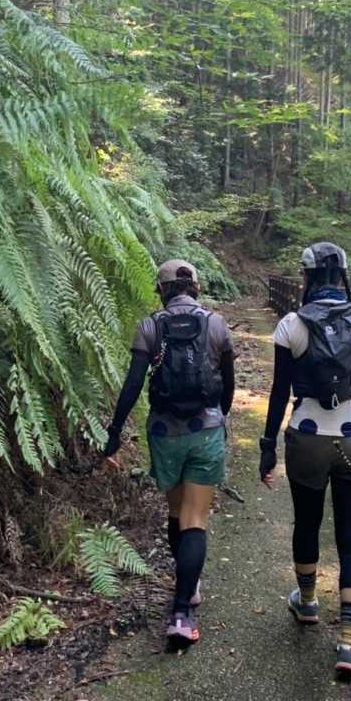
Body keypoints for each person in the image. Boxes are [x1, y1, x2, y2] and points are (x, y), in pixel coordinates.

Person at [259, 242, 351, 675]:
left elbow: (279, 392)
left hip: (307, 438)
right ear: (343, 275)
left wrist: (267, 447)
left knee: (307, 523)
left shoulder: (291, 325)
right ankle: (349, 643)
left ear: (307, 276)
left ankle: (308, 602)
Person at [102, 260, 235, 648]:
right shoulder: (216, 324)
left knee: (177, 513)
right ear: (195, 287)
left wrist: (114, 432)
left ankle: (185, 586)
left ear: (161, 290)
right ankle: (183, 612)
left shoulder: (150, 326)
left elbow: (132, 384)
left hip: (164, 432)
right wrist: (219, 417)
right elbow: (227, 384)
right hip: (205, 429)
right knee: (196, 518)